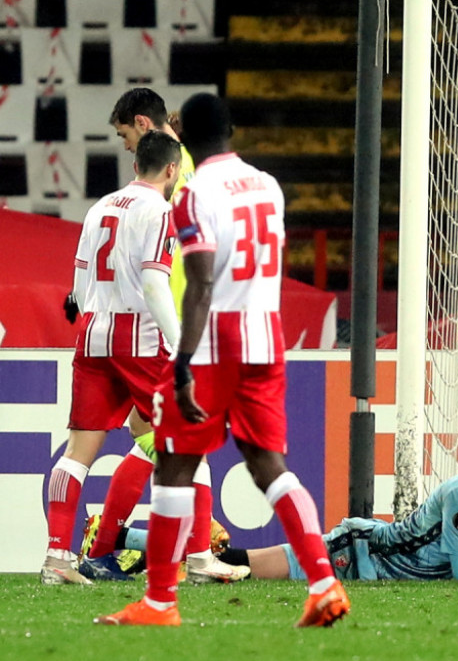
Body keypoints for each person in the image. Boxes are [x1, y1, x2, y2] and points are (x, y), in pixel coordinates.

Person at [95, 93, 347, 628]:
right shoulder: (268, 186)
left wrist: (183, 358)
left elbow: (203, 280)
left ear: (182, 129)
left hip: (215, 342)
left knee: (173, 463)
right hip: (266, 336)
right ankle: (323, 583)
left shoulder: (192, 194)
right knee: (269, 466)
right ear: (232, 130)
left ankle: (160, 601)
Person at [79, 88, 243, 584]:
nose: (127, 146)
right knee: (151, 436)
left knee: (157, 437)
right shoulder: (194, 167)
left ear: (143, 126)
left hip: (168, 325)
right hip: (173, 323)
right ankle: (172, 553)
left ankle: (111, 544)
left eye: (126, 134)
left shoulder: (171, 178)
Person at [116, 430, 458, 583]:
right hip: (359, 552)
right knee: (237, 567)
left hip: (381, 565)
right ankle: (124, 539)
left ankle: (131, 542)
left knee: (228, 565)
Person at [41, 131, 183, 585]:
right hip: (139, 340)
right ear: (172, 170)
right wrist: (178, 343)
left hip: (93, 336)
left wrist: (88, 319)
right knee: (180, 446)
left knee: (77, 453)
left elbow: (80, 281)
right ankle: (190, 558)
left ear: (135, 164)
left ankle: (57, 558)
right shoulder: (161, 211)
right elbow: (155, 283)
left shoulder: (100, 206)